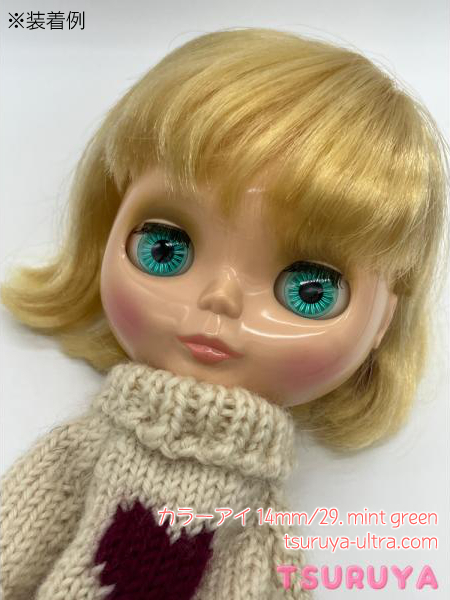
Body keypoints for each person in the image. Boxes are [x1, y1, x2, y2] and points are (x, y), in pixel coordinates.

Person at [1, 27, 448, 600]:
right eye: (166, 248)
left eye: (308, 289)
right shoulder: (74, 462)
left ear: (382, 322)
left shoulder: (257, 538)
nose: (221, 299)